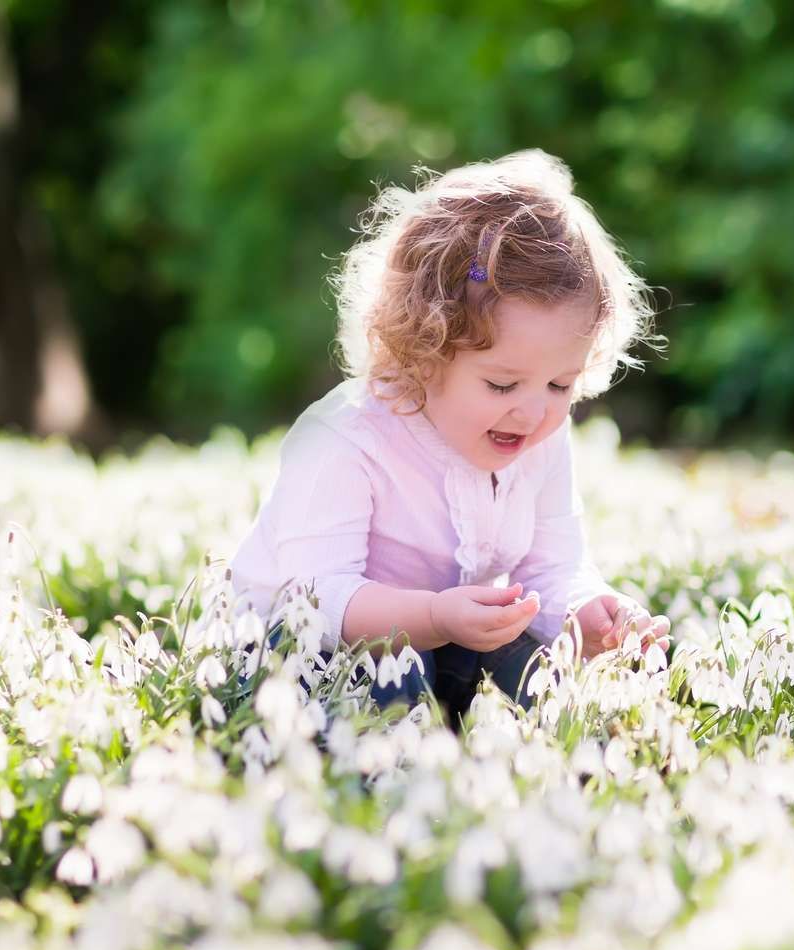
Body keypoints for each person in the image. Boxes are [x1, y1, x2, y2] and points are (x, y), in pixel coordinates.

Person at [229, 149, 671, 724]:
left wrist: (586, 610)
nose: (534, 412)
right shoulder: (345, 439)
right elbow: (315, 600)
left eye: (561, 384)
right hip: (308, 652)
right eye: (502, 383)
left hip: (448, 638)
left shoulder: (538, 438)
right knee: (388, 687)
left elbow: (552, 566)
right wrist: (436, 617)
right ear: (423, 350)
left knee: (539, 675)